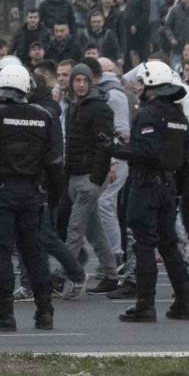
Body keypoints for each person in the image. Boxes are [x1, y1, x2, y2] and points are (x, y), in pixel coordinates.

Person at [0, 57, 64, 331]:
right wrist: (55, 198)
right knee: (34, 254)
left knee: (1, 254)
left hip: (1, 193)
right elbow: (55, 162)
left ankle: (5, 314)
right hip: (32, 193)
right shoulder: (44, 117)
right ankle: (45, 312)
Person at [104, 60, 189, 324]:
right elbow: (184, 153)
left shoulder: (149, 113)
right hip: (168, 185)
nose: (138, 87)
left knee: (143, 245)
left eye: (142, 83)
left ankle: (145, 305)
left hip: (146, 185)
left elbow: (147, 152)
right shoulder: (178, 115)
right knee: (168, 245)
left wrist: (113, 148)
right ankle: (184, 302)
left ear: (151, 85)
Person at [61, 64, 121, 294]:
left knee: (75, 230)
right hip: (76, 175)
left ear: (91, 82)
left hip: (89, 178)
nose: (81, 84)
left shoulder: (99, 108)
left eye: (84, 80)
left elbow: (104, 146)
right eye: (77, 80)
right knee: (94, 230)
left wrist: (96, 179)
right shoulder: (73, 108)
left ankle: (67, 277)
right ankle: (110, 273)